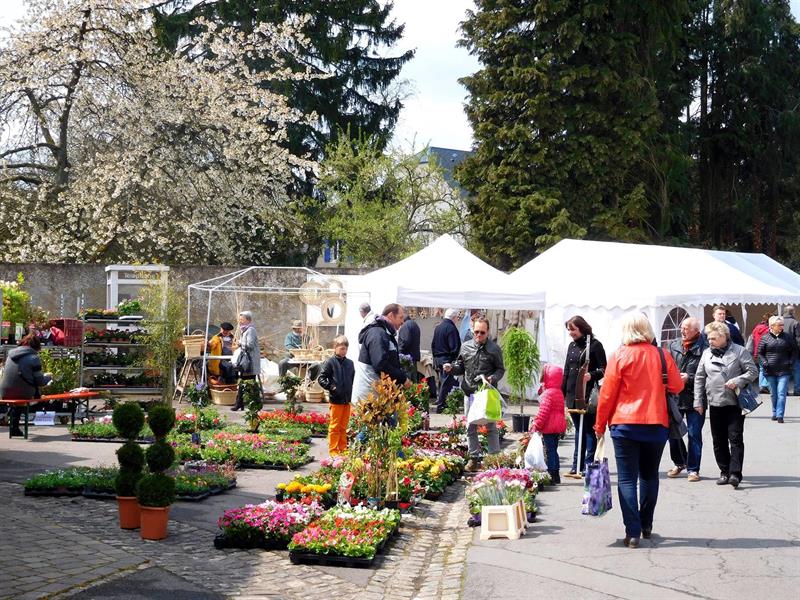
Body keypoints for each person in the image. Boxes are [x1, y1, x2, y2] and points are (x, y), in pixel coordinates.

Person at [594, 312, 683, 548]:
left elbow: (607, 395)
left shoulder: (619, 355)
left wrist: (599, 425)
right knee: (650, 475)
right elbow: (677, 386)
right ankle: (646, 525)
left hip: (624, 424)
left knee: (626, 479)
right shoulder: (662, 355)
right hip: (656, 422)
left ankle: (632, 532)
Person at [694, 321, 758, 488]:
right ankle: (724, 471)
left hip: (735, 403)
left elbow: (753, 371)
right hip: (715, 402)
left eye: (713, 338)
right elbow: (699, 378)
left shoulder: (739, 351)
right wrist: (698, 401)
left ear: (723, 337)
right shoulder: (706, 353)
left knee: (735, 438)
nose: (710, 341)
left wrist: (738, 380)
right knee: (718, 440)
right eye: (708, 338)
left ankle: (735, 473)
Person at [444, 317, 505, 471]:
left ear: (488, 332)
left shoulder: (494, 349)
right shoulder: (465, 347)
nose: (479, 335)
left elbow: (500, 369)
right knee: (470, 426)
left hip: (486, 393)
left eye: (482, 332)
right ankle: (474, 458)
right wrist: (451, 368)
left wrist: (492, 378)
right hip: (470, 392)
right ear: (472, 330)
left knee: (491, 426)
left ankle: (493, 459)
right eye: (476, 332)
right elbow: (460, 366)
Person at [561, 316, 607, 479]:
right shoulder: (571, 346)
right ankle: (576, 466)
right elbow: (566, 370)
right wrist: (562, 393)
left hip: (587, 394)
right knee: (578, 430)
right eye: (569, 329)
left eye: (573, 329)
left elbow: (604, 369)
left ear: (582, 328)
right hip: (572, 394)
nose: (570, 333)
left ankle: (588, 465)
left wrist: (591, 375)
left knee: (588, 430)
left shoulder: (595, 345)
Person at [666, 317, 708, 482]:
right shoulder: (674, 345)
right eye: (682, 327)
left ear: (696, 331)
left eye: (686, 328)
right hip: (675, 396)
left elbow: (710, 374)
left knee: (694, 434)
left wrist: (689, 378)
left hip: (696, 396)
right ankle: (680, 462)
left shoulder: (705, 347)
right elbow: (667, 367)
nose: (682, 331)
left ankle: (693, 469)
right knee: (673, 432)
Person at [352, 303, 410, 403]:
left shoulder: (385, 332)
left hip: (376, 395)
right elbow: (380, 364)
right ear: (391, 315)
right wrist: (402, 378)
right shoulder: (377, 333)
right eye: (400, 317)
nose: (402, 322)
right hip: (369, 397)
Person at [0, 334, 52, 437]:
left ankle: (14, 427)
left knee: (19, 394)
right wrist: (48, 377)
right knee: (29, 392)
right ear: (37, 346)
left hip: (4, 391)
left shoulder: (10, 355)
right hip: (22, 392)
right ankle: (15, 427)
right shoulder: (34, 358)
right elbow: (40, 381)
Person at [317, 335, 355, 456]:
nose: (344, 351)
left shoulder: (350, 363)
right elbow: (321, 378)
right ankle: (333, 450)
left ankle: (343, 449)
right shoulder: (330, 362)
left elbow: (352, 379)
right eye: (342, 348)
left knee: (343, 426)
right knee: (334, 426)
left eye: (346, 349)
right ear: (335, 347)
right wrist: (332, 387)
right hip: (336, 399)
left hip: (347, 399)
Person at [531, 364, 567, 484]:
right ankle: (556, 474)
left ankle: (552, 474)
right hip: (557, 426)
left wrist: (536, 424)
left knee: (550, 451)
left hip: (549, 426)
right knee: (554, 450)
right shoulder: (559, 392)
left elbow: (543, 412)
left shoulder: (548, 394)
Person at [757, 315, 797, 423]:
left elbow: (795, 351)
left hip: (784, 370)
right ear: (771, 326)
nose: (781, 327)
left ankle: (780, 415)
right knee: (773, 394)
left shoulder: (788, 337)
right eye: (779, 325)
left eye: (782, 325)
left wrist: (791, 361)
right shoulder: (765, 338)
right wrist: (764, 362)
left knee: (781, 393)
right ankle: (774, 412)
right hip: (770, 370)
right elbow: (760, 353)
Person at [431, 308, 461, 413]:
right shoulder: (451, 328)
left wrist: (435, 357)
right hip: (447, 359)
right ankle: (441, 405)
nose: (457, 319)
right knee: (446, 383)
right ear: (454, 317)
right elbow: (455, 347)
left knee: (442, 382)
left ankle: (443, 403)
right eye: (457, 317)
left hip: (438, 358)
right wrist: (454, 360)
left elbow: (433, 344)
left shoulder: (438, 327)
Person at [232, 311, 259, 411]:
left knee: (250, 382)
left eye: (242, 319)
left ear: (248, 320)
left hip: (250, 362)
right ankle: (240, 402)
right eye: (239, 319)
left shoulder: (251, 330)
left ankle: (253, 403)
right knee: (243, 381)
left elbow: (250, 345)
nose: (240, 321)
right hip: (245, 361)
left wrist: (239, 343)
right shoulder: (244, 330)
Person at [745, 313, 772, 393]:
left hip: (758, 351)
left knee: (762, 370)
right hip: (767, 352)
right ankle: (764, 385)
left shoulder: (756, 328)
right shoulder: (769, 329)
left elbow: (752, 339)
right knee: (769, 369)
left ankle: (761, 387)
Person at [782, 306, 800, 395]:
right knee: (796, 370)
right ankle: (797, 390)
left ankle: (784, 390)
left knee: (784, 371)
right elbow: (798, 339)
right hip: (793, 350)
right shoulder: (795, 323)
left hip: (781, 350)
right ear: (792, 312)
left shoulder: (779, 322)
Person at [398, 313, 421, 382]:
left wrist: (399, 351)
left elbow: (405, 341)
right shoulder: (415, 324)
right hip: (413, 357)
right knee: (413, 380)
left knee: (407, 380)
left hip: (406, 358)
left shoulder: (405, 326)